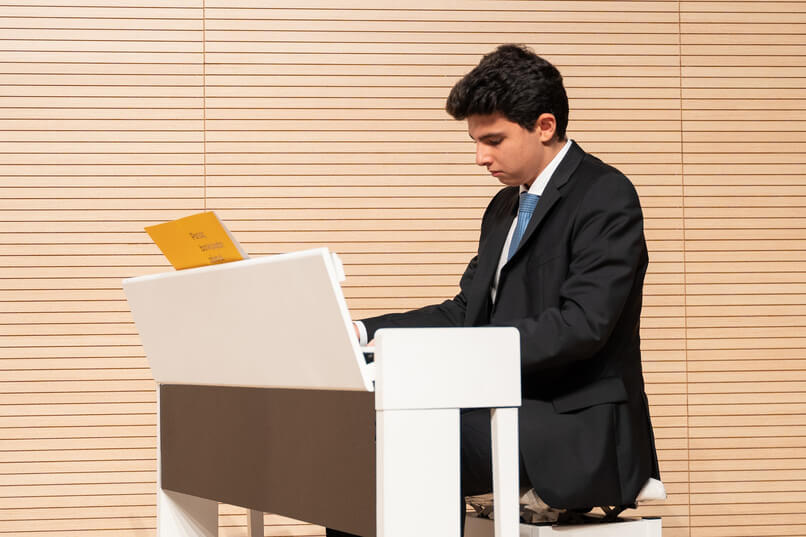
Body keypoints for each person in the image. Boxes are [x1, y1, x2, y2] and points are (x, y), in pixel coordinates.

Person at [328, 44, 659, 537]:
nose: (481, 157)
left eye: (494, 140)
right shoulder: (505, 207)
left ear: (544, 126)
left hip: (570, 422)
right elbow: (466, 311)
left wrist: (457, 353)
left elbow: (582, 326)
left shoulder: (605, 195)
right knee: (352, 433)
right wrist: (360, 331)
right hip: (501, 405)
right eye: (476, 142)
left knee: (403, 437)